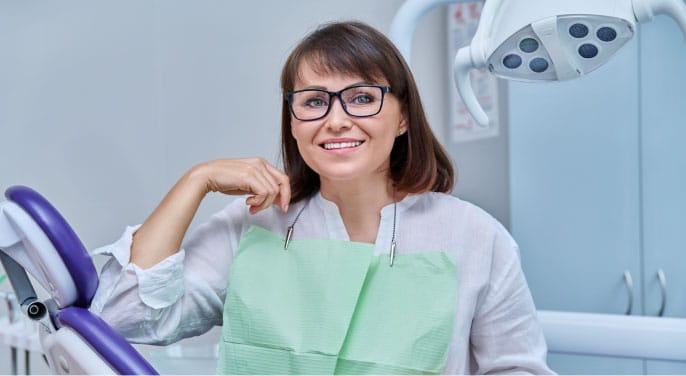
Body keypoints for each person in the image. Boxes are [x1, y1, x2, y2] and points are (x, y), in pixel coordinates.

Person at [91, 21, 553, 374]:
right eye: (313, 101)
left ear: (403, 118)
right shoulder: (254, 225)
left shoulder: (475, 237)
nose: (335, 120)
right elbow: (124, 316)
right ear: (292, 123)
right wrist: (196, 181)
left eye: (361, 97)